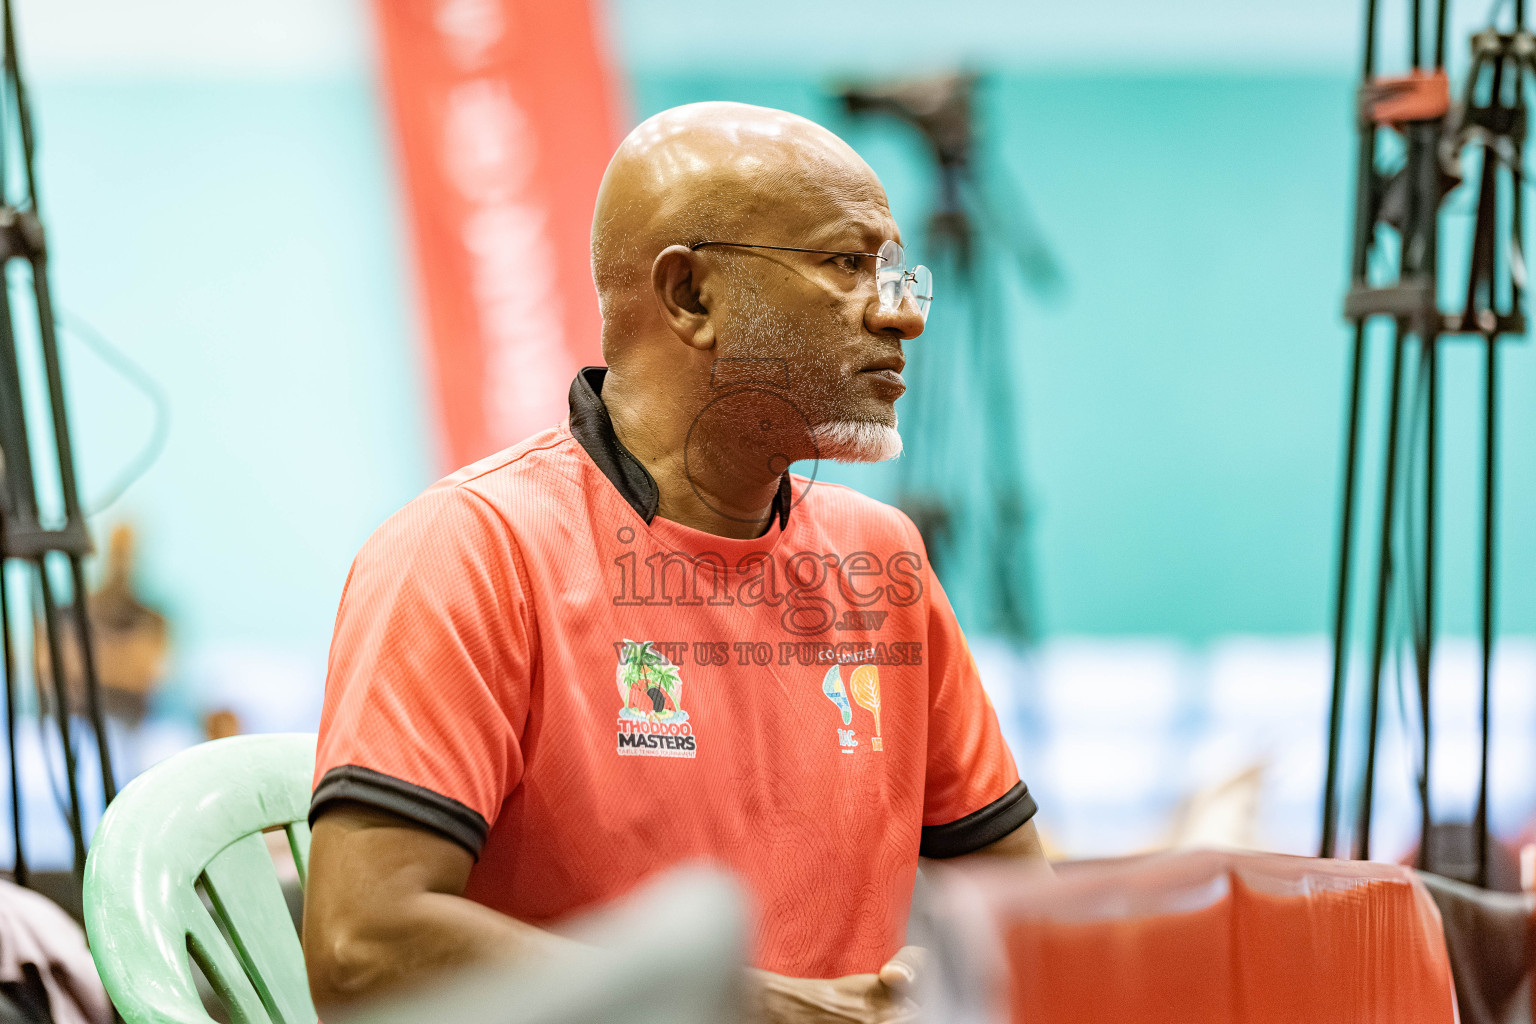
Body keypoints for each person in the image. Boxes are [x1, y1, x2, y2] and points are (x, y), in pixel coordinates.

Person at [302, 101, 1047, 1023]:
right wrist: (755, 1009)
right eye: (850, 264)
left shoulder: (880, 557)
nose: (901, 314)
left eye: (896, 271)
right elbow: (359, 950)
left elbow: (1027, 920)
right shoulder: (469, 548)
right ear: (692, 295)